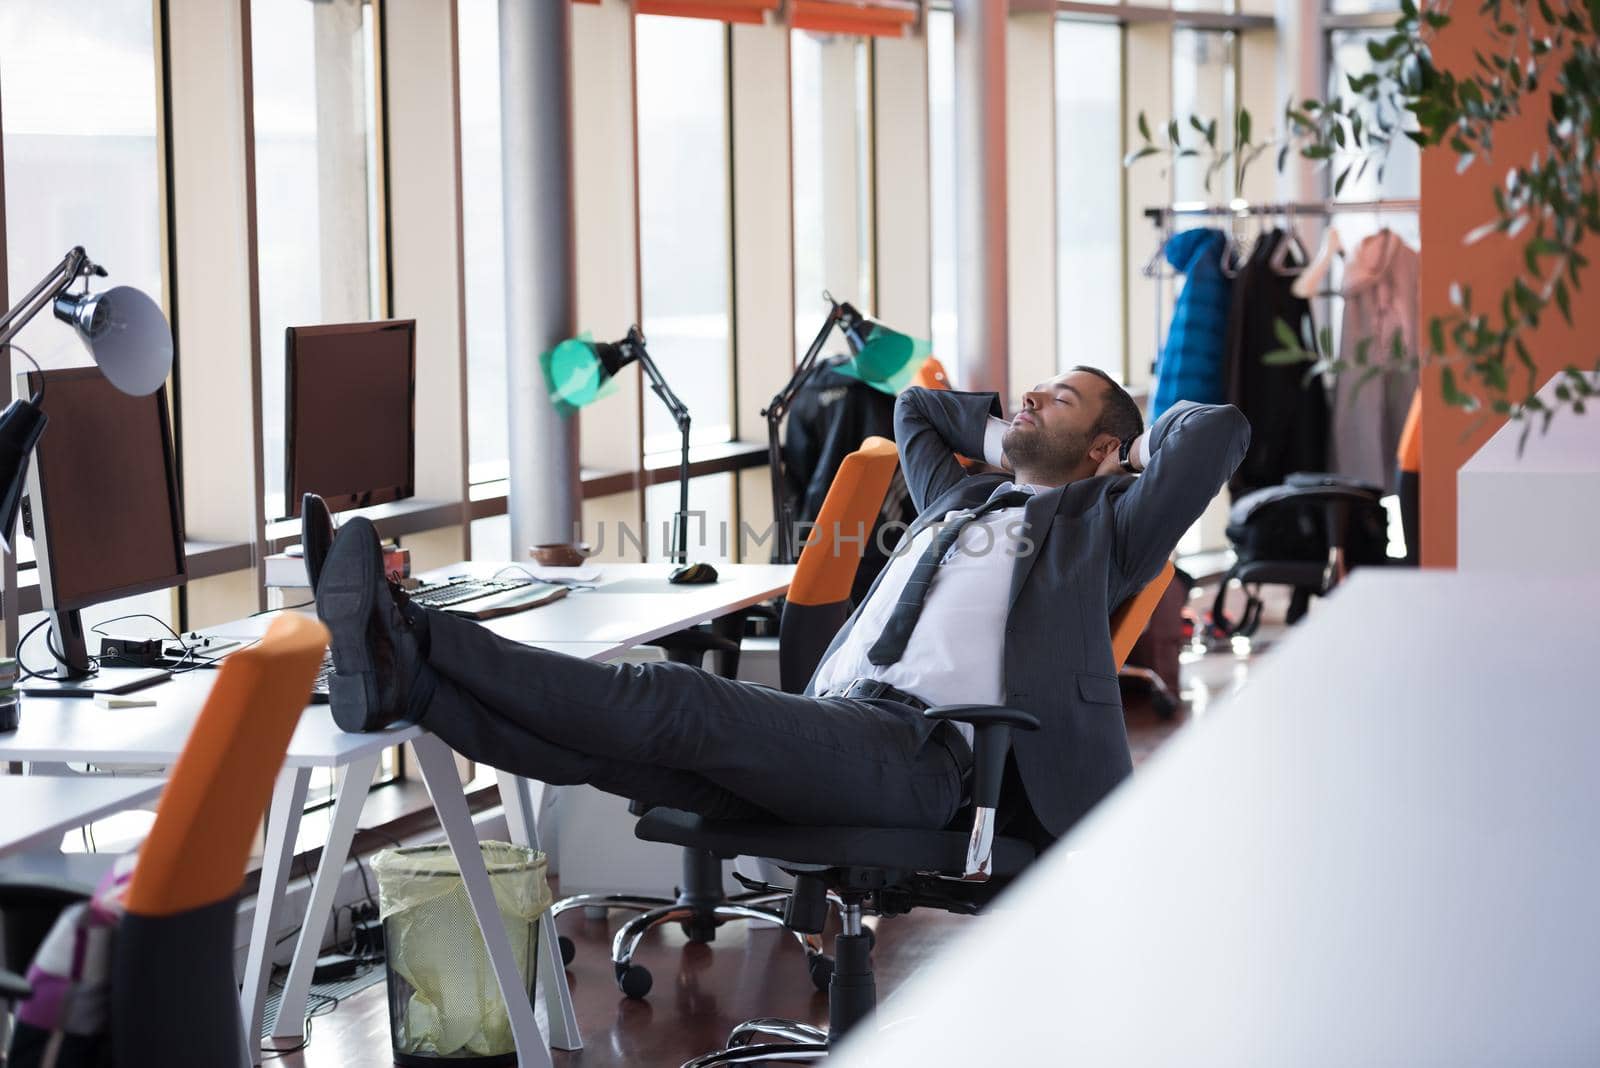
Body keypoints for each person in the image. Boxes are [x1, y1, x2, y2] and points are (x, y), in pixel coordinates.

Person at [313, 369, 1249, 845]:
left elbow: (1216, 435)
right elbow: (915, 412)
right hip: (835, 725)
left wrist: (1132, 448)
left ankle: (416, 631)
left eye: (1066, 397)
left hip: (933, 757)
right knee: (613, 754)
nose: (1040, 393)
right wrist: (1001, 421)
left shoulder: (1107, 526)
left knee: (671, 699)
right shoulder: (960, 499)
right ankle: (407, 685)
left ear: (1102, 450)